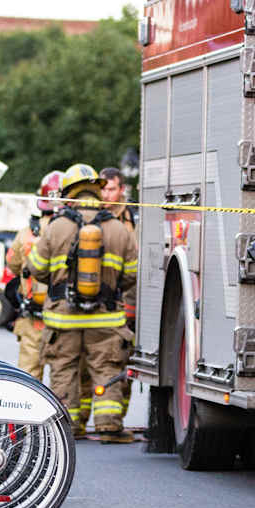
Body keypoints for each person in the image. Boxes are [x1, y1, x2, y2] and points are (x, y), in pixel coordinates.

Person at [30, 163, 138, 443]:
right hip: (106, 319)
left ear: (69, 194)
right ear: (97, 191)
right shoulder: (118, 228)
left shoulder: (55, 227)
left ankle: (69, 425)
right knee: (106, 369)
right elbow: (132, 275)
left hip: (63, 318)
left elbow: (37, 268)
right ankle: (108, 426)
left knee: (64, 369)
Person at [5, 170, 62, 381]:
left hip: (32, 320)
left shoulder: (26, 233)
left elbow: (12, 265)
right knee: (62, 379)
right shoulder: (74, 231)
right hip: (63, 319)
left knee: (28, 380)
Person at [99, 166, 138, 418]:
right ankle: (79, 422)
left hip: (126, 300)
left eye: (111, 189)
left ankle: (115, 420)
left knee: (123, 360)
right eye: (102, 189)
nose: (106, 194)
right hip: (97, 300)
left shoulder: (133, 217)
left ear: (121, 189)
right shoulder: (91, 214)